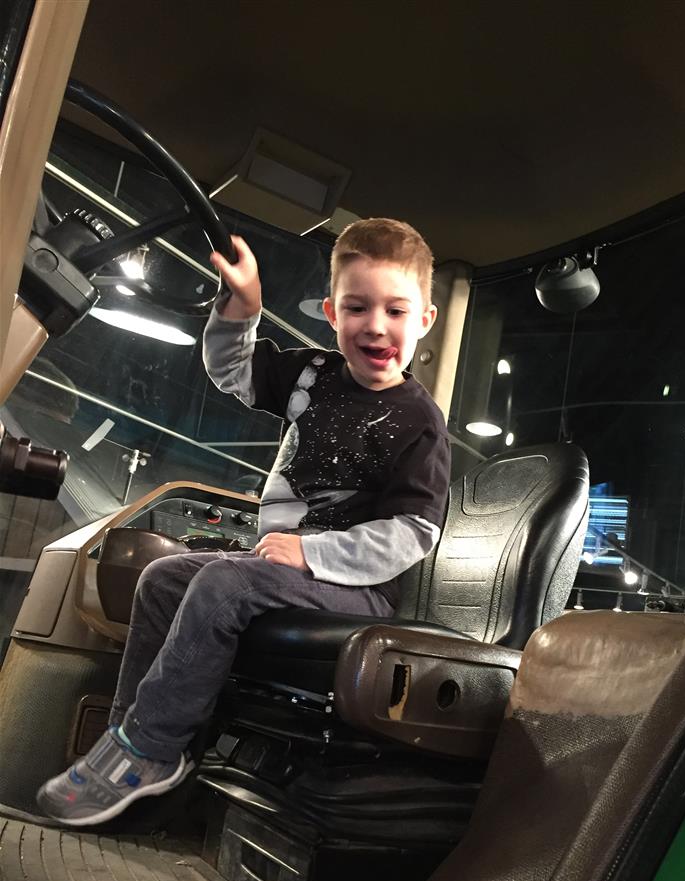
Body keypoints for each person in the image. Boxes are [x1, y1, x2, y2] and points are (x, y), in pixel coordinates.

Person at [37, 218, 451, 826]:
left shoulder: (419, 422)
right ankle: (130, 739)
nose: (376, 325)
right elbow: (233, 369)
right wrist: (244, 308)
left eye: (395, 310)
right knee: (162, 579)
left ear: (425, 320)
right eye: (358, 307)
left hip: (357, 590)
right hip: (287, 571)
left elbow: (413, 532)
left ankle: (149, 748)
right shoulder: (312, 376)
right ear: (332, 313)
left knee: (224, 583)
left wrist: (311, 554)